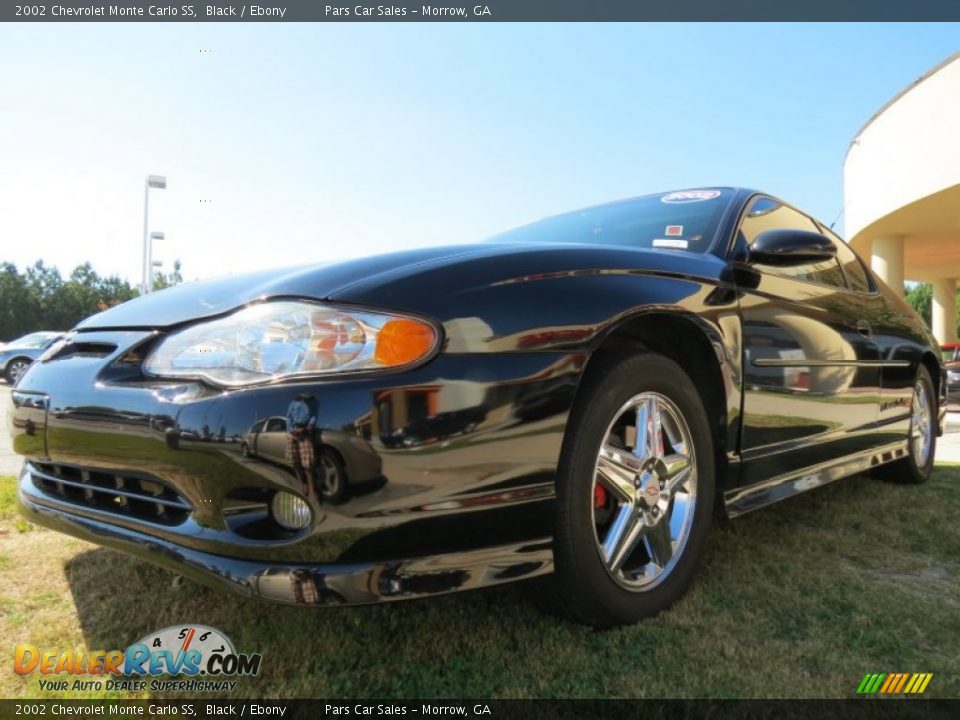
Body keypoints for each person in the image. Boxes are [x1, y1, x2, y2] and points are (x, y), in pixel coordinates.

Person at [285, 393, 321, 502]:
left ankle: (311, 490)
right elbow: (288, 417)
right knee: (294, 460)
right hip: (292, 432)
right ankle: (302, 483)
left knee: (307, 463)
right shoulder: (292, 403)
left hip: (305, 431)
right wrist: (291, 430)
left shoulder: (313, 402)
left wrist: (308, 426)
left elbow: (314, 416)